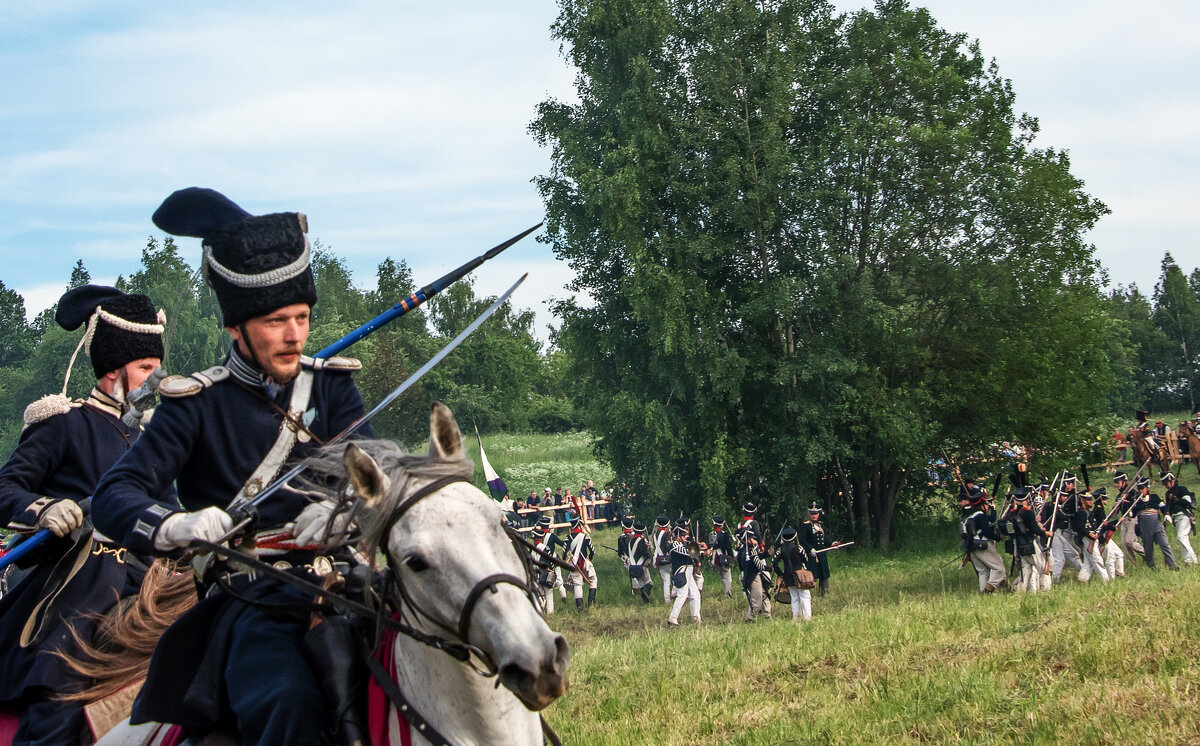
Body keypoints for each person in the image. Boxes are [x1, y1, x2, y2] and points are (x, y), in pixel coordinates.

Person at [92, 188, 373, 746]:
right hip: (252, 604)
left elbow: (372, 476)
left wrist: (345, 509)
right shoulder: (195, 404)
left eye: (301, 316)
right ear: (235, 328)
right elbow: (113, 495)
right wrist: (175, 526)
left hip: (350, 585)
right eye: (275, 321)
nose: (295, 334)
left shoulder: (334, 388)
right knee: (289, 706)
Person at [0, 285, 167, 746]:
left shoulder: (157, 440)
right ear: (114, 370)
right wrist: (45, 508)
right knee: (64, 677)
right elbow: (4, 488)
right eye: (147, 369)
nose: (160, 378)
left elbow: (169, 508)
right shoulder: (64, 424)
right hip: (82, 572)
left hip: (150, 577)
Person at [998, 487, 1046, 593]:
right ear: (1027, 498)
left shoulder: (1011, 513)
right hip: (1029, 542)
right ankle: (1045, 588)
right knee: (1041, 566)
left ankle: (1025, 591)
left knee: (1026, 569)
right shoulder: (1028, 512)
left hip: (1018, 544)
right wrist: (1046, 533)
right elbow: (1034, 529)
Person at [960, 487, 1007, 593]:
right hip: (982, 545)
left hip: (971, 547)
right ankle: (988, 589)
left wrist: (993, 509)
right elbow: (987, 532)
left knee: (983, 572)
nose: (988, 507)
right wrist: (998, 538)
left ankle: (983, 594)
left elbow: (991, 519)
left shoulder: (971, 515)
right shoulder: (981, 516)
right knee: (999, 569)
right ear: (982, 505)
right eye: (986, 505)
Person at [1130, 477, 1179, 571]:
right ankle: (1151, 567)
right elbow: (1133, 512)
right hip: (1145, 526)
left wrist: (1166, 514)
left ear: (1147, 488)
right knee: (1148, 548)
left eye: (1142, 488)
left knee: (1165, 544)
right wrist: (1132, 511)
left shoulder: (1154, 497)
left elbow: (1163, 506)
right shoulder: (1136, 501)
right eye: (1139, 489)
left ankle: (1173, 565)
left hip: (1157, 524)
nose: (1141, 490)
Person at [666, 521, 701, 627]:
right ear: (677, 535)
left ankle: (696, 618)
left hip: (688, 572)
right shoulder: (674, 545)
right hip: (682, 571)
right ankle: (673, 618)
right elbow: (689, 553)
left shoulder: (683, 544)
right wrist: (702, 551)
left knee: (695, 595)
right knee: (682, 595)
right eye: (682, 535)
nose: (684, 537)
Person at [773, 527, 812, 621]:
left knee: (794, 597)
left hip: (787, 576)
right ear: (794, 537)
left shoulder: (780, 549)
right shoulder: (799, 548)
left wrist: (780, 574)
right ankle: (807, 618)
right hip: (800, 575)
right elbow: (806, 559)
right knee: (805, 596)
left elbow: (774, 563)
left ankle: (796, 618)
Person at [1070, 492, 1110, 583]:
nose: (1091, 501)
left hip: (1092, 537)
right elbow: (1079, 527)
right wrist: (1089, 535)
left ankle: (1082, 578)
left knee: (1088, 562)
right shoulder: (1081, 512)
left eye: (1091, 499)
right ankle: (1106, 581)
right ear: (1083, 501)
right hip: (1087, 538)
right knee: (1097, 560)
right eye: (1088, 500)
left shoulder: (1088, 512)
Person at [799, 503, 837, 596]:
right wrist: (810, 549)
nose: (814, 516)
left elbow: (824, 540)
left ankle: (825, 593)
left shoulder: (821, 526)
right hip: (811, 554)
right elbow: (802, 540)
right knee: (811, 575)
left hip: (821, 553)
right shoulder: (806, 526)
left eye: (816, 514)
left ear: (818, 514)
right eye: (812, 514)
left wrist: (832, 544)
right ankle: (808, 594)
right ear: (810, 514)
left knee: (824, 574)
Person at [1050, 476, 1083, 580]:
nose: (1065, 497)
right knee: (1060, 559)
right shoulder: (1053, 507)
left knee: (1073, 554)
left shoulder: (1073, 498)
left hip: (1061, 532)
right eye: (1063, 496)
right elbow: (1063, 516)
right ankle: (1055, 580)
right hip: (1056, 533)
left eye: (1069, 483)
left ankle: (1083, 572)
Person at [532, 516, 567, 614]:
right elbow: (562, 544)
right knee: (557, 579)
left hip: (537, 569)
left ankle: (542, 605)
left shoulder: (534, 547)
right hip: (550, 563)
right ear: (548, 525)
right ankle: (562, 593)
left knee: (540, 590)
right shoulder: (551, 536)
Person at [1161, 472, 1197, 565]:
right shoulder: (1168, 493)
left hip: (1185, 515)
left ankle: (1194, 560)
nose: (1166, 486)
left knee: (1181, 536)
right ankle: (1188, 561)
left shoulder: (1181, 489)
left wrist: (1176, 498)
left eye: (1167, 483)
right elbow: (1169, 507)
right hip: (1176, 517)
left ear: (1171, 481)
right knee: (1182, 540)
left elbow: (1188, 502)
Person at [737, 527, 772, 622]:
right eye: (752, 538)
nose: (754, 540)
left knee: (762, 595)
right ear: (748, 540)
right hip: (753, 577)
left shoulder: (741, 551)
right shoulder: (750, 551)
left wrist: (766, 554)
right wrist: (769, 568)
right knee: (756, 602)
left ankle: (767, 615)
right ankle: (750, 619)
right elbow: (759, 565)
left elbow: (755, 558)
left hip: (747, 577)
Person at [564, 517, 597, 610]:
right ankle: (591, 603)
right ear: (579, 525)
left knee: (577, 585)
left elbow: (564, 554)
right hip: (585, 563)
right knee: (593, 580)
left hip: (573, 564)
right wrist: (589, 559)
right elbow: (592, 551)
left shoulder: (568, 538)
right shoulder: (585, 536)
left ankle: (580, 608)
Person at [1111, 472, 1145, 563]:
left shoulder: (1133, 493)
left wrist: (1126, 502)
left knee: (1129, 542)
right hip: (1124, 520)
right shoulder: (1119, 496)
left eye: (1118, 482)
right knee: (1124, 545)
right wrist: (1115, 506)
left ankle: (1146, 554)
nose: (1116, 485)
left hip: (1133, 519)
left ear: (1124, 482)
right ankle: (1133, 564)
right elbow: (1114, 513)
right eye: (1116, 483)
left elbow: (1139, 506)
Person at [627, 521, 654, 603]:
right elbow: (643, 552)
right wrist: (648, 554)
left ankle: (646, 600)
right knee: (649, 582)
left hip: (633, 567)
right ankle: (645, 593)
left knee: (641, 584)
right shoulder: (641, 540)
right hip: (641, 565)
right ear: (642, 531)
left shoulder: (630, 541)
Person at [708, 515, 734, 598]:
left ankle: (727, 591)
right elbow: (728, 547)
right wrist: (731, 556)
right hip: (722, 557)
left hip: (715, 558)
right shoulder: (724, 534)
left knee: (722, 576)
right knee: (727, 576)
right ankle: (728, 593)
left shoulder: (711, 534)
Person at [651, 515, 674, 603]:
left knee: (666, 582)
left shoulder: (655, 534)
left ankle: (667, 600)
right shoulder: (667, 533)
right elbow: (666, 547)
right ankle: (675, 594)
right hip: (666, 559)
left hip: (657, 559)